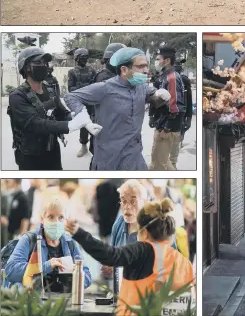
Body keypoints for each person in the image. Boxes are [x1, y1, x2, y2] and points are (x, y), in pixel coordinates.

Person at [65, 198, 195, 315]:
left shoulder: (143, 249)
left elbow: (111, 255)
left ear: (144, 231)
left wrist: (79, 233)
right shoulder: (185, 263)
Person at [65, 47, 171, 170]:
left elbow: (153, 97)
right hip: (109, 157)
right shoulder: (105, 88)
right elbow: (71, 96)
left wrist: (160, 96)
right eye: (141, 66)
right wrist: (84, 119)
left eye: (146, 66)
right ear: (124, 70)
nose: (146, 70)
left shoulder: (141, 87)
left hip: (134, 155)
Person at [7, 47, 95, 170]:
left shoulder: (50, 90)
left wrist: (79, 118)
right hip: (30, 156)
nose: (43, 66)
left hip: (52, 149)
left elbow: (62, 113)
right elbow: (35, 124)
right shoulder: (17, 96)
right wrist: (69, 126)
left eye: (45, 62)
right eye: (38, 62)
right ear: (26, 67)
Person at [4, 197, 91, 291]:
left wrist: (74, 274)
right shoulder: (29, 240)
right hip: (33, 300)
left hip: (61, 302)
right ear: (42, 219)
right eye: (51, 217)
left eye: (61, 217)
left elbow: (87, 277)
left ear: (66, 220)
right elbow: (11, 271)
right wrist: (46, 266)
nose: (56, 222)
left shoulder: (70, 242)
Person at [150, 46, 186, 171]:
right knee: (160, 161)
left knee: (159, 165)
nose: (157, 61)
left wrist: (167, 128)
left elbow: (175, 105)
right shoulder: (164, 76)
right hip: (162, 124)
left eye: (158, 59)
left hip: (167, 128)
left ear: (167, 61)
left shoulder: (172, 78)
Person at [67, 48, 96, 158]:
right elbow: (71, 88)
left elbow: (95, 87)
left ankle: (94, 148)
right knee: (83, 125)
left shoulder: (92, 71)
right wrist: (87, 88)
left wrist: (84, 88)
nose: (83, 60)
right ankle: (84, 146)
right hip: (80, 103)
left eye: (85, 58)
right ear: (76, 59)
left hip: (92, 103)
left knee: (94, 124)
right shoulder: (72, 72)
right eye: (81, 58)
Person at [174, 58, 193, 163]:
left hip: (181, 114)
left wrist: (189, 117)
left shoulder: (184, 80)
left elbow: (189, 99)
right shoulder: (165, 79)